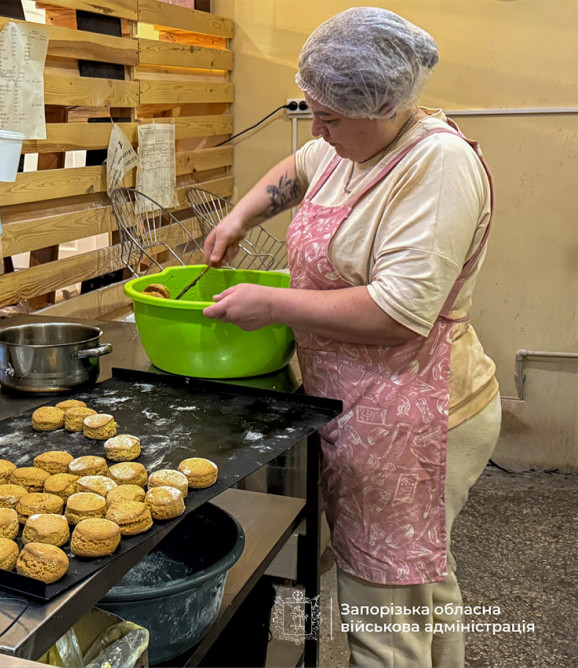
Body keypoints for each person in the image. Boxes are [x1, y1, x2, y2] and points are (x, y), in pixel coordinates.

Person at [202, 8, 501, 668]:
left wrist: (272, 304)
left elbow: (399, 312)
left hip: (417, 416)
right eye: (314, 111)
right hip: (363, 403)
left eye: (329, 118)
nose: (318, 130)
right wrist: (239, 217)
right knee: (418, 584)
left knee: (383, 610)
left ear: (386, 105)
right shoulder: (352, 145)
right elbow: (300, 167)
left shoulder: (436, 166)